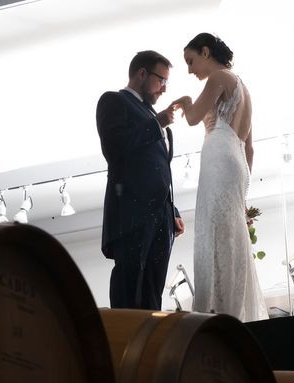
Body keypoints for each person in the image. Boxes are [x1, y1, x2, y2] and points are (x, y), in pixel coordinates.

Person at [170, 33, 268, 321]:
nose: (190, 70)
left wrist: (186, 101)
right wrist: (244, 187)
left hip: (218, 155)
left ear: (205, 51)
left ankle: (218, 311)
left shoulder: (218, 78)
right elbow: (249, 146)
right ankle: (232, 308)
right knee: (231, 233)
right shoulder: (243, 87)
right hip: (236, 158)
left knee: (213, 231)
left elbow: (192, 116)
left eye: (190, 61)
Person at [96, 50, 185, 311]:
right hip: (131, 215)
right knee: (129, 289)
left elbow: (159, 170)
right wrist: (157, 123)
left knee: (153, 294)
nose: (164, 89)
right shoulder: (113, 101)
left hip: (161, 218)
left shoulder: (150, 113)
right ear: (142, 73)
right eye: (161, 80)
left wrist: (172, 211)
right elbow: (114, 148)